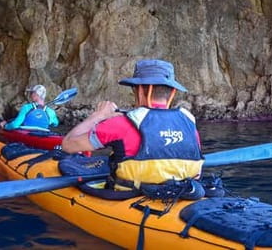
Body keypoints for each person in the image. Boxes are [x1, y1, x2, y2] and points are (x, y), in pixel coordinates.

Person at [61, 59, 203, 190]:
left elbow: (68, 145)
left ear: (140, 91)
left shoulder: (120, 124)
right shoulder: (189, 123)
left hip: (130, 196)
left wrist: (98, 115)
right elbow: (197, 173)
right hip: (180, 194)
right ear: (172, 91)